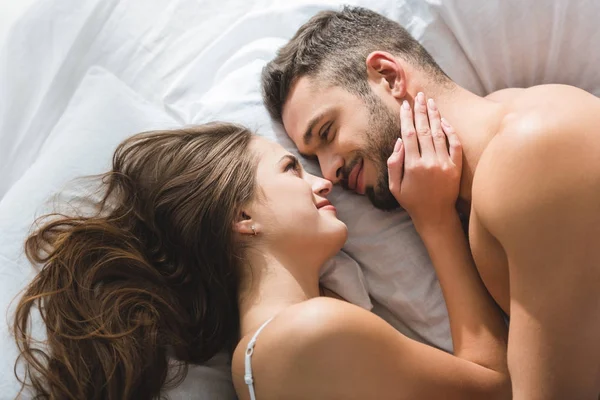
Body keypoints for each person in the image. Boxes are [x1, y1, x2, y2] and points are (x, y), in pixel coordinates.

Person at [14, 119, 509, 400]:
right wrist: (435, 219)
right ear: (243, 215)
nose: (321, 181)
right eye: (291, 168)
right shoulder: (311, 332)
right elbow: (503, 388)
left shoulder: (261, 355)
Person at [261, 6, 600, 400]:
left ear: (388, 76)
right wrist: (435, 221)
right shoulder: (515, 118)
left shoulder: (530, 155)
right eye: (314, 156)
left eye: (327, 131)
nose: (330, 170)